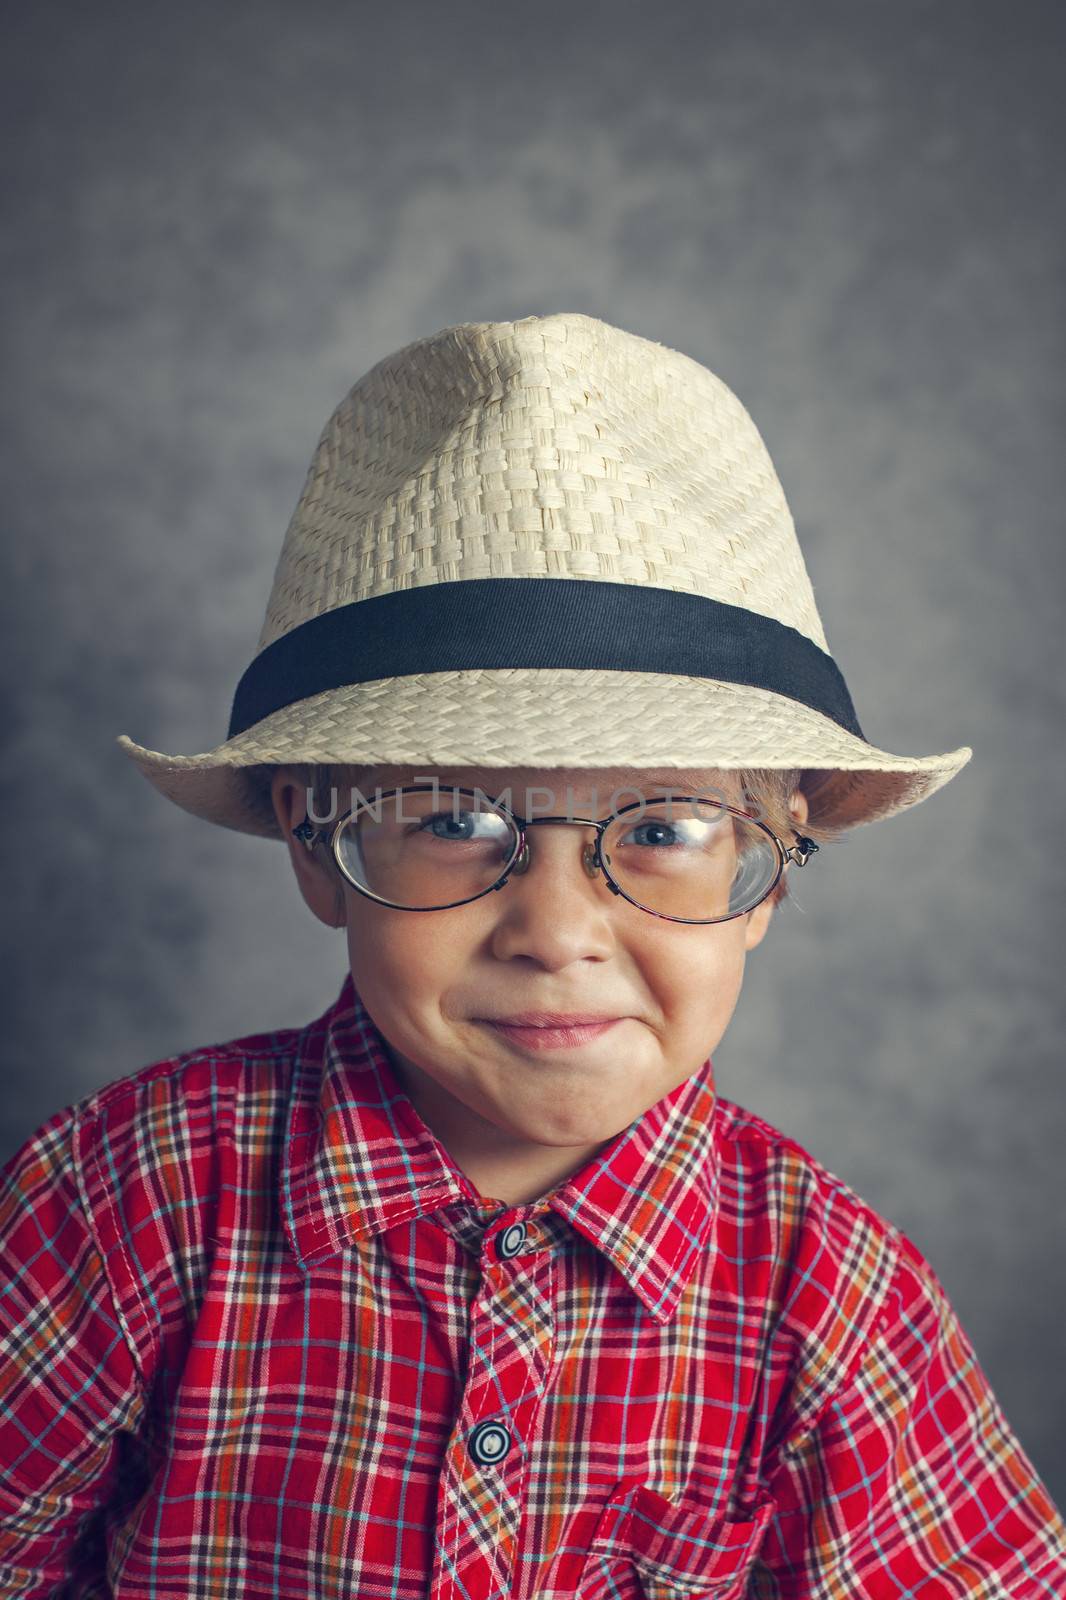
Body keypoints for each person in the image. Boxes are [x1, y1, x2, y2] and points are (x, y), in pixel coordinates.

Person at [2, 313, 1063, 1597]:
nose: (557, 933)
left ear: (773, 864)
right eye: (452, 818)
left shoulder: (833, 1300)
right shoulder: (124, 1198)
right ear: (310, 841)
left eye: (667, 828)